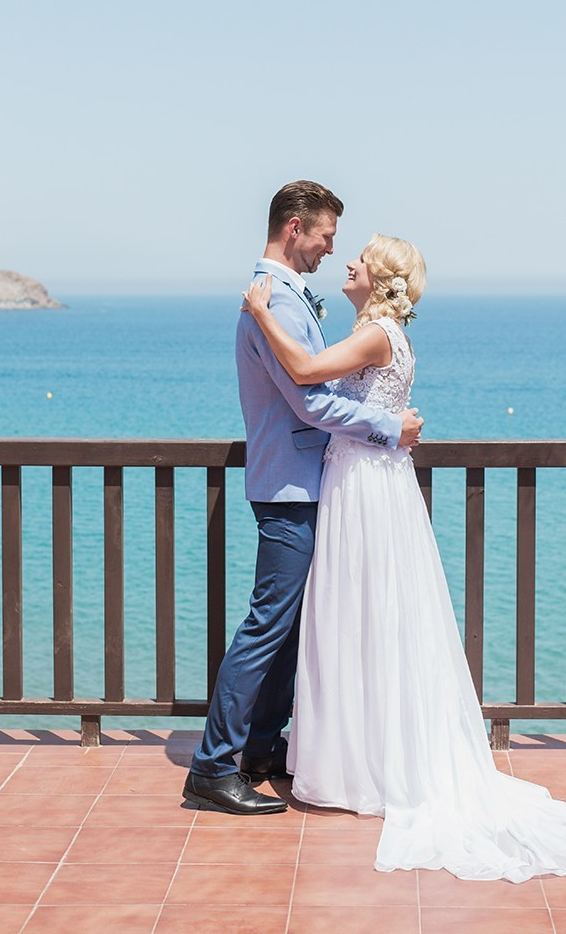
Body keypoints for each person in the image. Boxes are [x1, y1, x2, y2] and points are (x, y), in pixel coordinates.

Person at [241, 232, 566, 880]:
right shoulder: (385, 333)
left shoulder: (378, 333)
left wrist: (262, 311)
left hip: (363, 485)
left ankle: (360, 767)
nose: (347, 262)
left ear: (377, 278)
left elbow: (302, 373)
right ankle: (370, 756)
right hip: (377, 482)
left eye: (359, 257)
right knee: (371, 620)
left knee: (359, 618)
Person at [183, 182, 424, 816]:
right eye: (325, 236)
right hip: (290, 486)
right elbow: (309, 400)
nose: (329, 250)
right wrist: (387, 428)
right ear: (295, 228)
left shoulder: (283, 297)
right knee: (268, 626)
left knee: (288, 630)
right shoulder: (277, 300)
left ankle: (262, 748)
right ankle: (212, 767)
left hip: (306, 483)